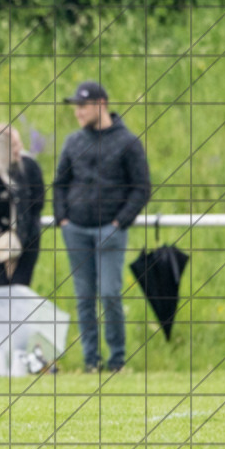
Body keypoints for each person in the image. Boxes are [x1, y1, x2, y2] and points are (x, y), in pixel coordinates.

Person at [55, 81, 151, 373]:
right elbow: (60, 184)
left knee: (109, 293)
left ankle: (117, 359)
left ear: (101, 105)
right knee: (84, 297)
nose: (78, 113)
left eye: (82, 106)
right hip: (76, 230)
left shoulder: (128, 142)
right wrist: (63, 219)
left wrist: (119, 222)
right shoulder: (73, 142)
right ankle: (90, 361)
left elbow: (141, 188)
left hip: (110, 230)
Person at [0, 123, 45, 287]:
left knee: (20, 292)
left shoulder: (29, 168)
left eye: (19, 144)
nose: (19, 149)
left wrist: (20, 238)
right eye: (13, 146)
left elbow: (37, 204)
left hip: (27, 240)